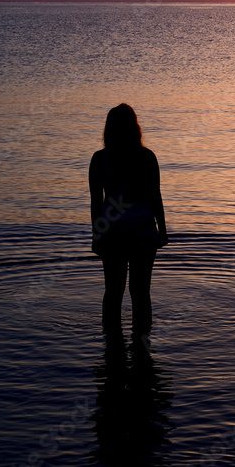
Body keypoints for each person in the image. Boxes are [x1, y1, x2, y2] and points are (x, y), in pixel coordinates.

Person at [89, 104, 168, 336]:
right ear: (135, 128)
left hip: (112, 233)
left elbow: (96, 203)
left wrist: (97, 235)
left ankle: (112, 348)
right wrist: (162, 230)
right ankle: (142, 347)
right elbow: (156, 197)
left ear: (108, 129)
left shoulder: (99, 159)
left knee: (112, 292)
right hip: (143, 233)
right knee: (141, 293)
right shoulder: (147, 157)